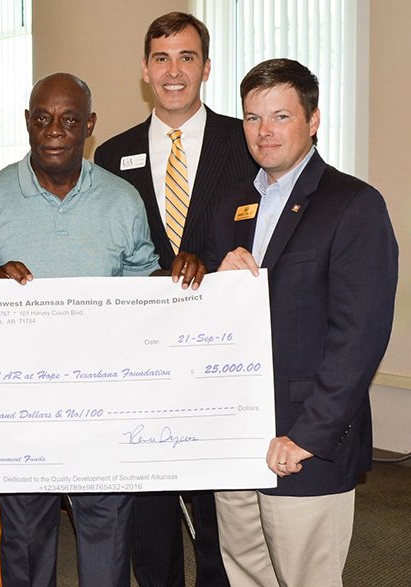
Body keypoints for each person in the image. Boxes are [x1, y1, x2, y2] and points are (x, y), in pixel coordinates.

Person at [0, 72, 202, 587]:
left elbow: (141, 283)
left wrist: (177, 275)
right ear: (27, 122)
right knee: (24, 539)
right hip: (20, 406)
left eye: (69, 119)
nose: (54, 130)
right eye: (42, 118)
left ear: (89, 125)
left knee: (106, 533)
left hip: (103, 403)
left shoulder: (121, 200)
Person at [204, 58, 398, 586]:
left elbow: (360, 337)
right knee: (245, 575)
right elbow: (216, 322)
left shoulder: (353, 204)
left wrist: (307, 436)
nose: (264, 132)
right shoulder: (233, 205)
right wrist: (217, 281)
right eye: (251, 117)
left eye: (280, 115)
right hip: (237, 438)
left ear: (312, 121)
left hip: (303, 446)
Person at [94, 12, 257, 587]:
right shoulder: (111, 156)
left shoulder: (248, 142)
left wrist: (212, 269)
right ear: (144, 70)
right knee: (151, 516)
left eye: (187, 57)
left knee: (221, 518)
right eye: (161, 58)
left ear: (206, 67)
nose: (174, 71)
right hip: (144, 364)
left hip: (220, 362)